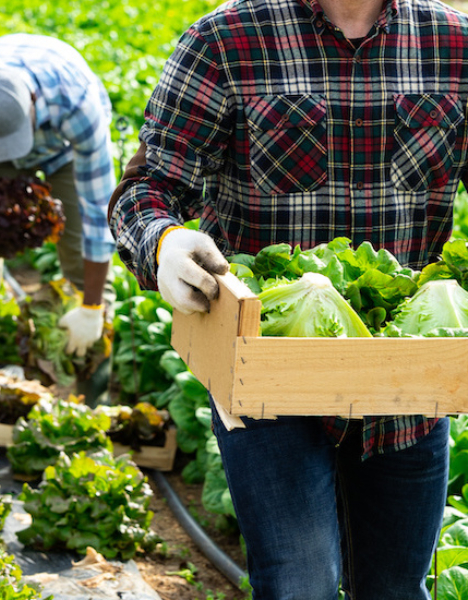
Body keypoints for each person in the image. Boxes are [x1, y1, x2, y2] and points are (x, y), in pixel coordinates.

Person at [109, 0, 467, 597]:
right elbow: (148, 187)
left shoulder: (453, 43)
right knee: (302, 582)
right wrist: (166, 241)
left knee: (397, 590)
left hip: (407, 382)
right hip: (268, 374)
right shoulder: (226, 39)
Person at [0, 33, 116, 402]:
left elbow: (98, 210)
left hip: (62, 150)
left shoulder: (76, 102)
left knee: (82, 260)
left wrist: (92, 306)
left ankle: (92, 402)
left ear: (33, 103)